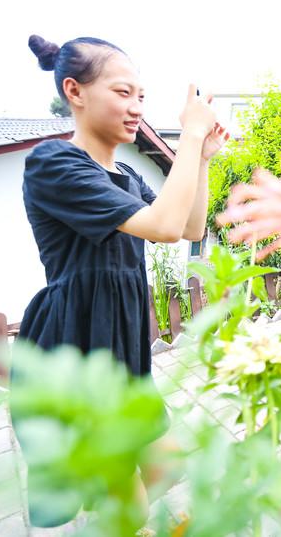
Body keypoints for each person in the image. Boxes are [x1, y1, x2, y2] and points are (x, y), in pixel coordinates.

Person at [17, 34, 228, 531]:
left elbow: (190, 228)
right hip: (78, 343)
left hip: (122, 346)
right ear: (75, 91)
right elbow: (164, 226)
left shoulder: (126, 178)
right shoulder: (54, 163)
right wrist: (190, 136)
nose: (136, 108)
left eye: (141, 97)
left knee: (163, 464)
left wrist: (199, 159)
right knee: (131, 505)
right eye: (122, 93)